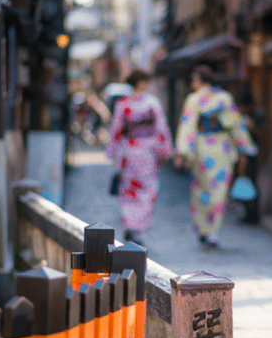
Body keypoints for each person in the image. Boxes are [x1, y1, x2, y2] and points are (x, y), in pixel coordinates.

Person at [174, 65, 258, 248]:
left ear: (200, 81)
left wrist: (182, 151)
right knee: (219, 191)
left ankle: (204, 229)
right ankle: (213, 232)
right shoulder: (224, 98)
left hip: (202, 148)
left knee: (200, 191)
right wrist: (244, 147)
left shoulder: (194, 100)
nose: (193, 84)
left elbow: (187, 126)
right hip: (222, 148)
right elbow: (236, 124)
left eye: (194, 80)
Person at [106, 70, 173, 245]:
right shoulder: (152, 103)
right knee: (148, 188)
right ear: (142, 83)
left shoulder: (123, 103)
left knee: (129, 189)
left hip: (128, 151)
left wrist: (112, 151)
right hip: (147, 151)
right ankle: (137, 229)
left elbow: (116, 129)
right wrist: (166, 151)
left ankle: (129, 225)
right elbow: (161, 128)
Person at [235, 88, 265, 224]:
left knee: (252, 181)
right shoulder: (239, 115)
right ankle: (247, 211)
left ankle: (254, 214)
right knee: (242, 181)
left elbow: (263, 134)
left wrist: (252, 126)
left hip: (253, 153)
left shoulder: (257, 115)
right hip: (240, 153)